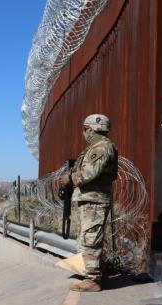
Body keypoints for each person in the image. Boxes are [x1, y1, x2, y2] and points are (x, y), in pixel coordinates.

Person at [60, 114, 118, 292]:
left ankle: (92, 279)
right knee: (89, 236)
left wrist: (68, 179)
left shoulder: (101, 147)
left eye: (85, 130)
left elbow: (87, 174)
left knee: (90, 238)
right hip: (90, 199)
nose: (84, 133)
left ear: (91, 130)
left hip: (94, 200)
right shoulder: (96, 147)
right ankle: (97, 272)